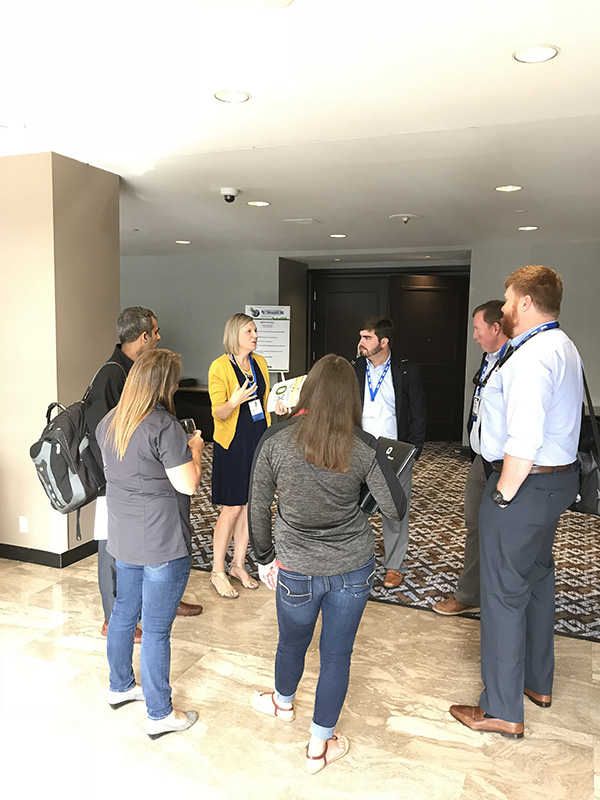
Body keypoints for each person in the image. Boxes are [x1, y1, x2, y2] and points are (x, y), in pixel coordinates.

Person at [248, 354, 407, 773]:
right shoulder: (364, 446)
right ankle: (318, 748)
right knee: (336, 656)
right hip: (352, 568)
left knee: (291, 642)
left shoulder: (276, 440)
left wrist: (264, 559)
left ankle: (282, 704)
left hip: (294, 567)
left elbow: (258, 507)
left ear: (308, 390)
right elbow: (395, 508)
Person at [450, 265, 583, 739]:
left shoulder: (530, 357)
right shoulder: (562, 345)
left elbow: (524, 440)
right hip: (555, 484)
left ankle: (502, 709)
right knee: (538, 580)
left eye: (507, 300)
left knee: (503, 595)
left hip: (523, 487)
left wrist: (502, 495)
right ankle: (536, 683)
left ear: (526, 302)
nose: (503, 308)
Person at [98, 349, 204, 739]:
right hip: (161, 541)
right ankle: (160, 714)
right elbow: (187, 484)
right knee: (157, 630)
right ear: (165, 385)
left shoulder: (110, 422)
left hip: (123, 536)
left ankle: (120, 686)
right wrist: (195, 451)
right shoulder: (163, 426)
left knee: (124, 613)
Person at [85, 306, 203, 640]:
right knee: (114, 549)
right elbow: (101, 435)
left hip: (148, 480)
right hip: (116, 484)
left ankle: (163, 600)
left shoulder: (139, 370)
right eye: (156, 331)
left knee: (154, 549)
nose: (159, 336)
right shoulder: (111, 376)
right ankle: (114, 618)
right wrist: (122, 476)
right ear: (143, 336)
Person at [433, 301, 509, 616]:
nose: (475, 336)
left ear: (496, 327)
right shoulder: (488, 359)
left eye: (478, 329)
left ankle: (502, 598)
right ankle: (470, 594)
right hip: (481, 458)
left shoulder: (517, 362)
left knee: (504, 532)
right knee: (475, 525)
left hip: (507, 463)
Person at [354, 316, 426, 588]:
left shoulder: (406, 370)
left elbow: (418, 413)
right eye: (361, 336)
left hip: (396, 450)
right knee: (353, 505)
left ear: (383, 341)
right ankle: (355, 559)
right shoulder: (354, 367)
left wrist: (413, 451)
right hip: (359, 448)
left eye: (367, 338)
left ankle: (394, 565)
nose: (361, 342)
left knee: (395, 508)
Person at [208, 313, 271, 598]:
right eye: (249, 331)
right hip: (233, 444)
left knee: (249, 506)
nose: (255, 336)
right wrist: (234, 402)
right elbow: (218, 412)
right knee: (232, 507)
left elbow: (265, 402)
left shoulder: (260, 363)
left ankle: (238, 564)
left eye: (255, 331)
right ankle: (217, 570)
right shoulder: (219, 366)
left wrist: (279, 407)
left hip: (258, 440)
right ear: (235, 334)